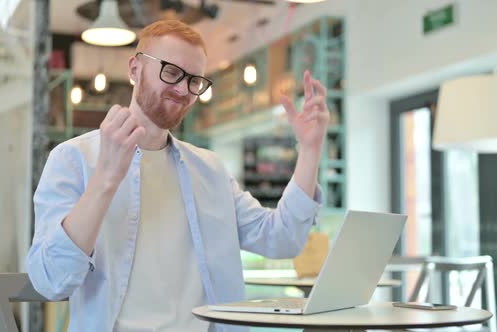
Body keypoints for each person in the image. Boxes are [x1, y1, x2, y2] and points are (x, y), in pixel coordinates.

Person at [27, 19, 329, 332]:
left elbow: (281, 239)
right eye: (171, 72)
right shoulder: (73, 159)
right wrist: (106, 178)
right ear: (135, 70)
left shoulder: (210, 169)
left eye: (195, 81)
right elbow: (50, 280)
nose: (183, 90)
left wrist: (309, 149)